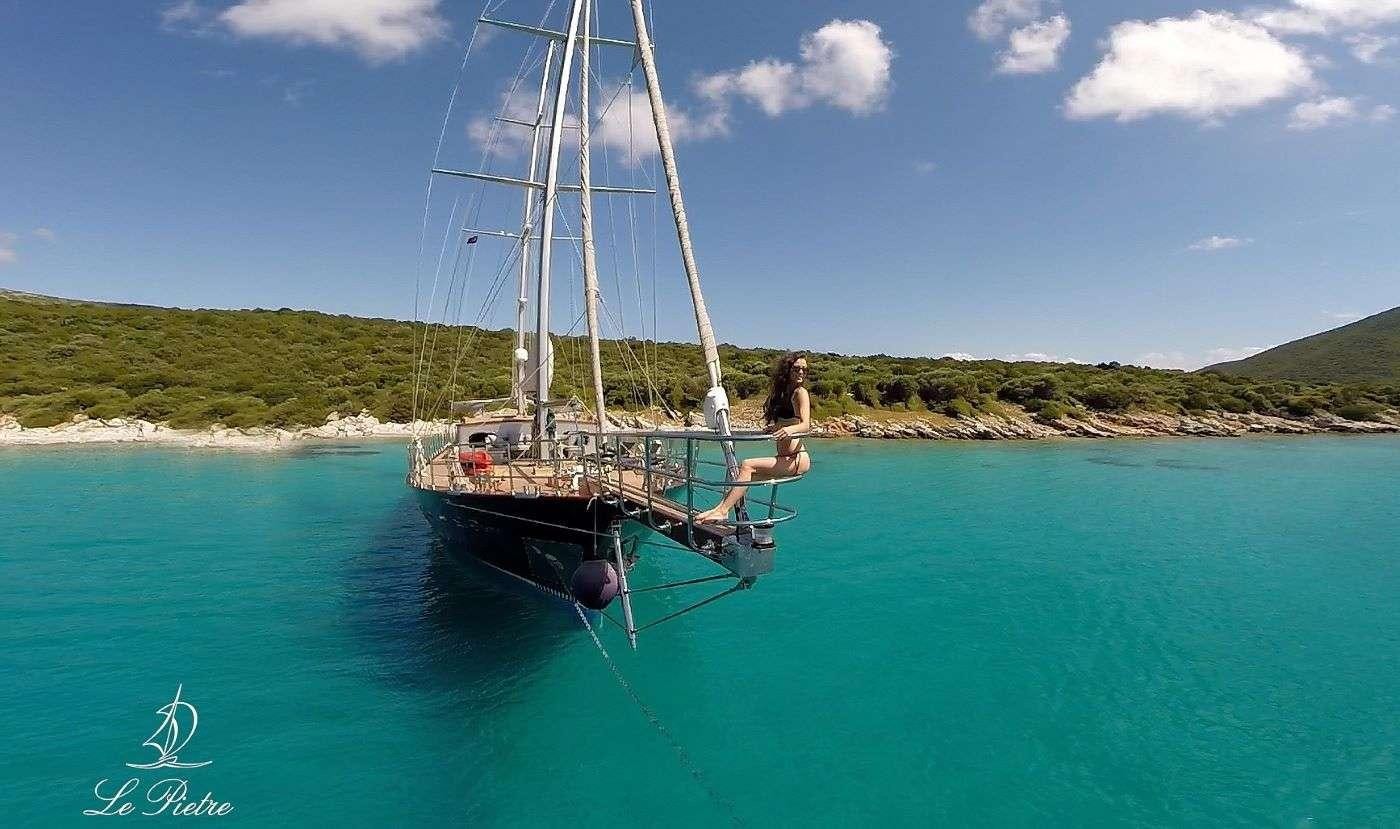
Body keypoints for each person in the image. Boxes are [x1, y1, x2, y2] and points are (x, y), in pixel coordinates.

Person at [694, 352, 812, 524]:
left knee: (747, 465)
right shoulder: (783, 393)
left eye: (804, 370)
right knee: (739, 477)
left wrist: (789, 430)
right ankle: (720, 508)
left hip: (796, 459)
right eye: (796, 369)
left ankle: (723, 510)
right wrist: (777, 427)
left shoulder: (801, 392)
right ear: (787, 370)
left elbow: (805, 425)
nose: (801, 372)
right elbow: (789, 420)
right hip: (784, 457)